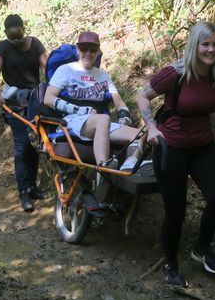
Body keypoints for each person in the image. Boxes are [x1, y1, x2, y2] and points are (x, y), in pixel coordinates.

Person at [136, 21, 215, 288]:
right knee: (176, 210)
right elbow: (143, 96)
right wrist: (152, 128)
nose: (211, 49)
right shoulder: (174, 73)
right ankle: (171, 264)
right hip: (171, 148)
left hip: (202, 145)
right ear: (195, 45)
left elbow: (213, 106)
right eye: (205, 44)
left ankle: (201, 248)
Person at [43, 31, 144, 185]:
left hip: (99, 123)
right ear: (77, 50)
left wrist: (125, 116)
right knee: (103, 119)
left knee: (140, 133)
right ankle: (103, 170)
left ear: (98, 51)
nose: (88, 53)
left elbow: (119, 101)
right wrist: (80, 110)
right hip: (73, 121)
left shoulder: (103, 75)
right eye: (84, 48)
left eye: (93, 49)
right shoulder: (66, 70)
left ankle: (129, 166)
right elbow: (48, 99)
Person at [0, 14, 48, 212]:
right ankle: (23, 190)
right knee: (22, 144)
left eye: (19, 36)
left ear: (24, 28)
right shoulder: (2, 48)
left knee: (34, 143)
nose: (15, 41)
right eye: (11, 37)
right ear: (5, 33)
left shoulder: (35, 45)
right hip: (14, 103)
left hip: (35, 101)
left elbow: (47, 69)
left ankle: (32, 187)